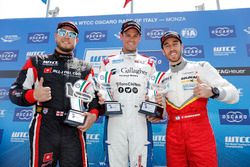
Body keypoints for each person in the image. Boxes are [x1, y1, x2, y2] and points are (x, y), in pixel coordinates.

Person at [9, 21, 102, 167]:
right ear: (55, 36)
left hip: (74, 128)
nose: (67, 37)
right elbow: (14, 91)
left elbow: (95, 98)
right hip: (45, 126)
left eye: (72, 34)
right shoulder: (37, 62)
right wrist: (33, 95)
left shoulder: (85, 68)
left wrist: (94, 114)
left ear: (76, 40)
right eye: (62, 33)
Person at [159, 31, 239, 167]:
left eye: (175, 44)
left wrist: (213, 92)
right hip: (173, 136)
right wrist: (156, 113)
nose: (171, 48)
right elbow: (163, 113)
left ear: (182, 46)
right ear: (163, 51)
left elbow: (234, 94)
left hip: (199, 132)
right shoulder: (162, 78)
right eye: (167, 45)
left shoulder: (200, 67)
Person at [98, 20, 157, 167]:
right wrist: (101, 97)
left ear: (140, 38)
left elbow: (154, 90)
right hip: (115, 119)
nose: (131, 38)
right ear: (121, 36)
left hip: (140, 120)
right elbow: (100, 88)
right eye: (128, 35)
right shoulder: (108, 62)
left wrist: (154, 102)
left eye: (135, 35)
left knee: (141, 163)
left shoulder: (148, 63)